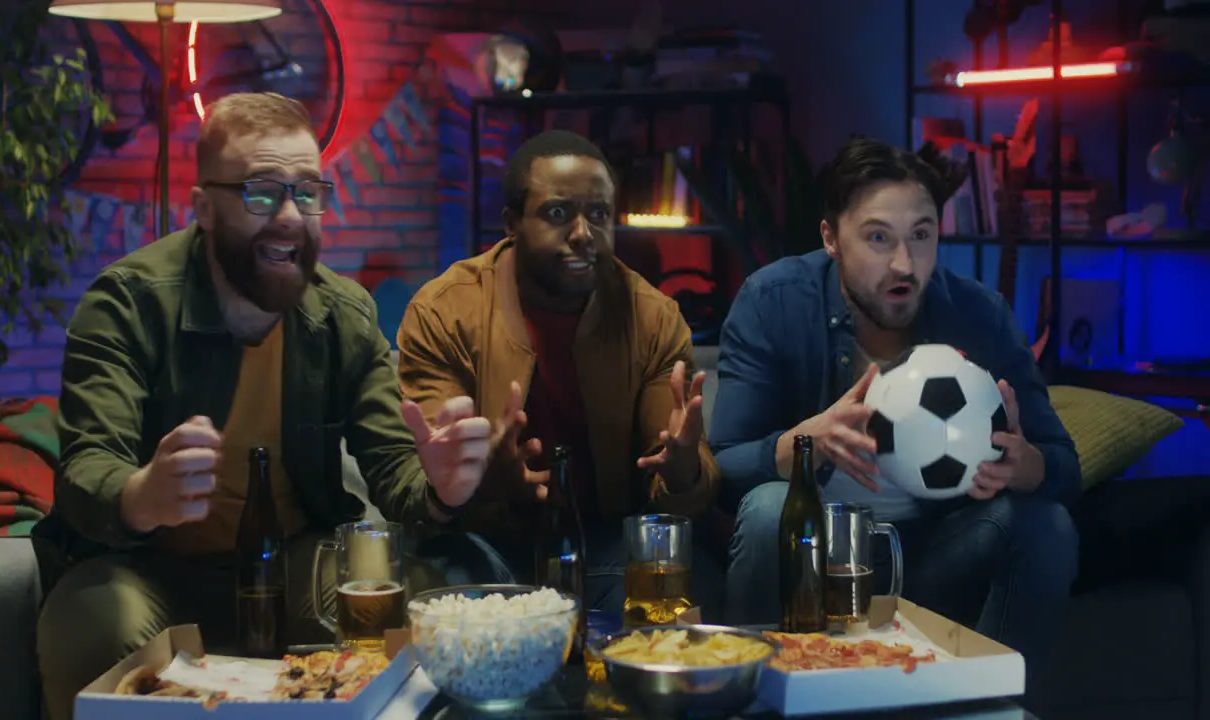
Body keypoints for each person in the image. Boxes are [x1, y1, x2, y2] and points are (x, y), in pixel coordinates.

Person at [35, 93, 492, 720]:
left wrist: (441, 486)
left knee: (429, 607)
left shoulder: (342, 314)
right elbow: (86, 468)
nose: (289, 216)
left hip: (297, 564)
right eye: (260, 193)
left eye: (308, 192)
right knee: (89, 623)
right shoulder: (128, 302)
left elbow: (393, 469)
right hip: (147, 570)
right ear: (203, 209)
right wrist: (143, 494)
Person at [710, 137, 1080, 676]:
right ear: (831, 238)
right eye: (878, 237)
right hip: (815, 551)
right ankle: (749, 697)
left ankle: (994, 707)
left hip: (937, 552)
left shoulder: (980, 314)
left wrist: (1022, 465)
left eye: (922, 236)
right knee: (769, 507)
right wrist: (803, 447)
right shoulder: (772, 302)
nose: (905, 264)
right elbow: (721, 470)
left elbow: (1064, 470)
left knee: (1046, 523)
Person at [396, 130, 724, 616]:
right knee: (438, 592)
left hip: (606, 545)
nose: (583, 233)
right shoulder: (445, 311)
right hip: (485, 545)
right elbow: (425, 476)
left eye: (598, 214)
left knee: (688, 580)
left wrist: (682, 469)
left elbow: (674, 477)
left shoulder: (652, 317)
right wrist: (487, 477)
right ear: (512, 223)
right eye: (557, 214)